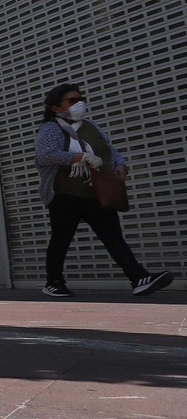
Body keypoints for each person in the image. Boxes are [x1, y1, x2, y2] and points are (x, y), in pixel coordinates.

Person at [36, 84, 172, 297]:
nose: (79, 103)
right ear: (55, 107)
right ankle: (53, 281)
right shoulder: (51, 128)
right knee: (61, 238)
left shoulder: (91, 126)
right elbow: (45, 155)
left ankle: (138, 278)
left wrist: (120, 165)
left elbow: (109, 149)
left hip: (95, 192)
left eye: (80, 98)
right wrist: (81, 157)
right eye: (72, 100)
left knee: (113, 236)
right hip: (65, 193)